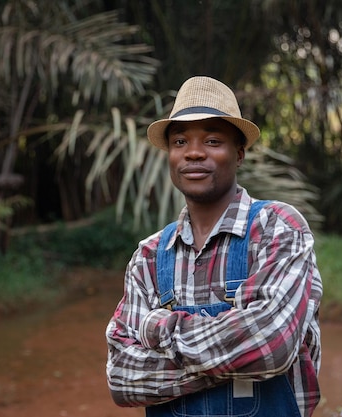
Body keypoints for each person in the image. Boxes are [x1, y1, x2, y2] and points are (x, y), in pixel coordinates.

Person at [105, 76, 322, 417]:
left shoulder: (276, 228)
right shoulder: (148, 256)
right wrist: (232, 352)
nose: (193, 152)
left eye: (211, 140)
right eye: (180, 141)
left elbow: (270, 346)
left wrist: (157, 328)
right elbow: (121, 378)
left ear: (238, 154)